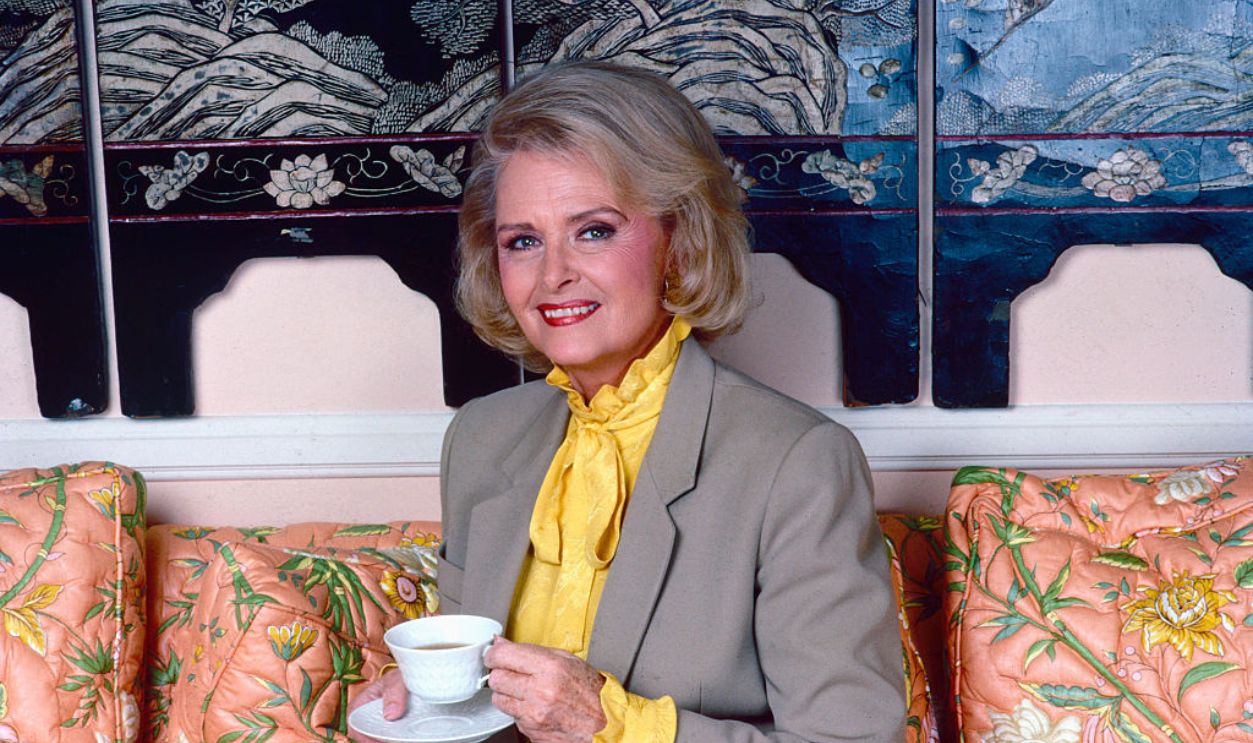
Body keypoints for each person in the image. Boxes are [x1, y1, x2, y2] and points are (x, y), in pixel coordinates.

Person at [350, 60, 905, 742]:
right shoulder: (479, 436)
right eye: (523, 241)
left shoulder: (797, 461)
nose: (553, 275)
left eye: (594, 230)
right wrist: (433, 708)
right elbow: (492, 698)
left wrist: (614, 723)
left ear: (679, 240)